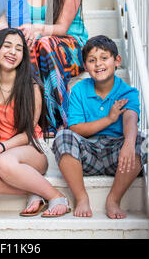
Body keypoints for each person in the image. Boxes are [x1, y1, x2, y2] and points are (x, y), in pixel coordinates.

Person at [0, 28, 71, 217]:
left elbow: (26, 134)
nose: (13, 52)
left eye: (19, 48)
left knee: (4, 162)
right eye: (7, 46)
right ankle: (32, 190)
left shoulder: (32, 87)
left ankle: (57, 196)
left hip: (30, 151)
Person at [52, 35, 147, 219]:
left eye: (104, 58)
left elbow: (130, 119)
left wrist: (128, 143)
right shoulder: (79, 90)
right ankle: (81, 198)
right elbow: (76, 129)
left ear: (117, 61)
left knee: (143, 141)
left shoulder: (128, 92)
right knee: (64, 136)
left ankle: (113, 199)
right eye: (92, 60)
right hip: (86, 155)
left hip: (119, 158)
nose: (98, 64)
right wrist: (110, 119)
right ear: (86, 66)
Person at [17, 0, 88, 134]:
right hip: (40, 46)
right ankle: (35, 119)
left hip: (72, 47)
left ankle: (59, 119)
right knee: (29, 44)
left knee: (44, 43)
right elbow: (11, 20)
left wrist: (36, 28)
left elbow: (62, 28)